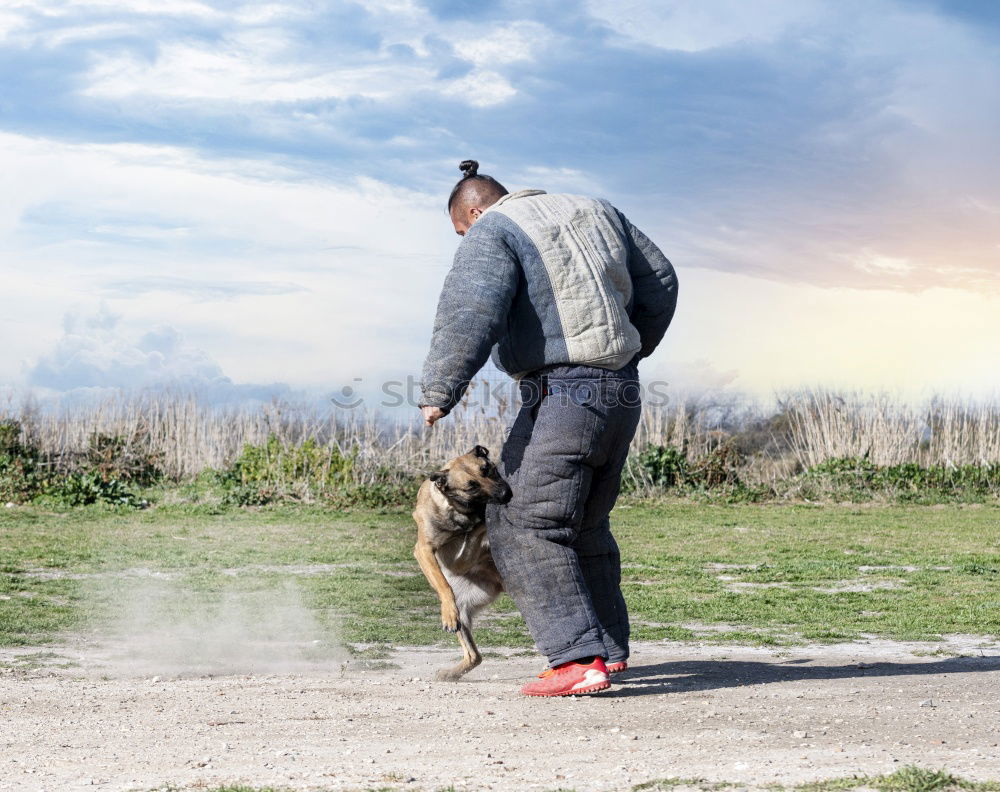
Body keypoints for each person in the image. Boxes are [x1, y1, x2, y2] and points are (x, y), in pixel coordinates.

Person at [419, 160, 678, 696]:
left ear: (474, 210)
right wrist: (628, 347)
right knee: (582, 521)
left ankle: (576, 659)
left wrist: (439, 390)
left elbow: (469, 307)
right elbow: (660, 280)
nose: (465, 241)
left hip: (565, 389)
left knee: (521, 518)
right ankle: (605, 651)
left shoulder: (494, 229)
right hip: (620, 387)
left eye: (461, 233)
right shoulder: (596, 209)